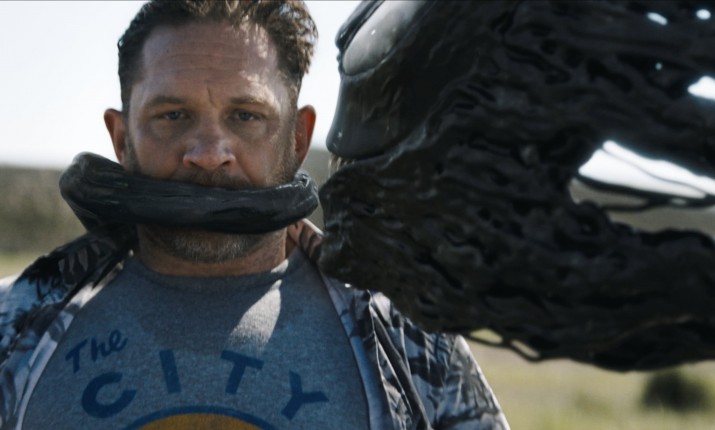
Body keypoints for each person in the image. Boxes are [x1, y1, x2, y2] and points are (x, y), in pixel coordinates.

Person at [0, 1, 509, 428]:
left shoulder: (412, 339)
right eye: (172, 115)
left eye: (246, 116)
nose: (208, 154)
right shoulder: (11, 330)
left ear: (299, 137)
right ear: (120, 138)